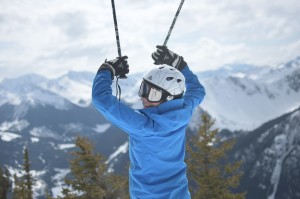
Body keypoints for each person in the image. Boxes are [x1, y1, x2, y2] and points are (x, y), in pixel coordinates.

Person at [92, 45, 206, 199]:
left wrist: (107, 70)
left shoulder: (144, 126)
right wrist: (180, 65)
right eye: (143, 88)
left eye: (152, 93)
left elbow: (101, 100)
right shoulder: (184, 110)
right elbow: (198, 90)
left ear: (169, 97)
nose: (143, 97)